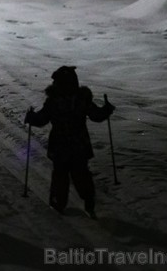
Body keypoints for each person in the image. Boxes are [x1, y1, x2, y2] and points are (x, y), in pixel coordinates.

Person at [24, 66, 115, 219]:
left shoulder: (53, 101)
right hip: (79, 144)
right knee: (81, 173)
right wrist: (106, 110)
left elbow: (42, 119)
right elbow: (96, 115)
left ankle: (58, 202)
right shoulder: (81, 99)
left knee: (60, 174)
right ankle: (88, 200)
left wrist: (31, 117)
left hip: (60, 145)